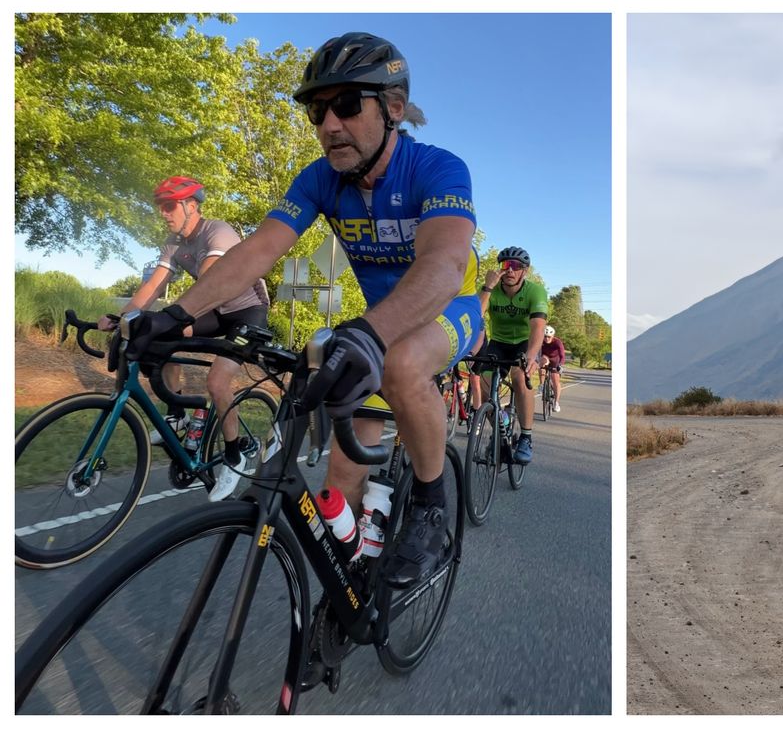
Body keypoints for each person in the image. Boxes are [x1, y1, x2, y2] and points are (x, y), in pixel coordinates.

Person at [125, 32, 481, 593]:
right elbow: (257, 251)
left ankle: (432, 505)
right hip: (377, 323)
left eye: (345, 105)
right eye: (318, 110)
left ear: (392, 108)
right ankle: (352, 590)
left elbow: (443, 264)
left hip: (444, 309)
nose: (329, 125)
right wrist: (174, 315)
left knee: (403, 362)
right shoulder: (319, 179)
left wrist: (368, 333)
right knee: (338, 483)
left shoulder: (437, 168)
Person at [99, 176, 270, 501]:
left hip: (247, 311)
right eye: (160, 207)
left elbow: (206, 282)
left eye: (169, 206)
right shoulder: (174, 243)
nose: (163, 213)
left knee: (218, 383)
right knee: (160, 339)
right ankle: (177, 415)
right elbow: (152, 287)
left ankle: (237, 452)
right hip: (214, 311)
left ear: (192, 206)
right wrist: (125, 318)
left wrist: (163, 318)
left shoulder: (216, 232)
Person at [475, 248, 547, 464]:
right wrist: (487, 287)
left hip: (524, 343)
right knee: (484, 388)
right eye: (505, 265)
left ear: (524, 271)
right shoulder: (491, 289)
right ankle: (502, 423)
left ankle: (526, 437)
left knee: (519, 378)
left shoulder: (535, 292)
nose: (509, 270)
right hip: (498, 343)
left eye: (515, 266)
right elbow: (475, 317)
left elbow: (538, 328)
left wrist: (531, 357)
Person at [539, 325, 565, 412]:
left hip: (555, 361)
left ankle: (556, 403)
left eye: (549, 337)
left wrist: (560, 365)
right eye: (545, 336)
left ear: (552, 336)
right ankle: (542, 385)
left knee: (555, 380)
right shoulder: (541, 341)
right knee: (542, 363)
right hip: (545, 358)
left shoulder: (557, 342)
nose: (546, 339)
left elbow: (562, 355)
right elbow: (537, 353)